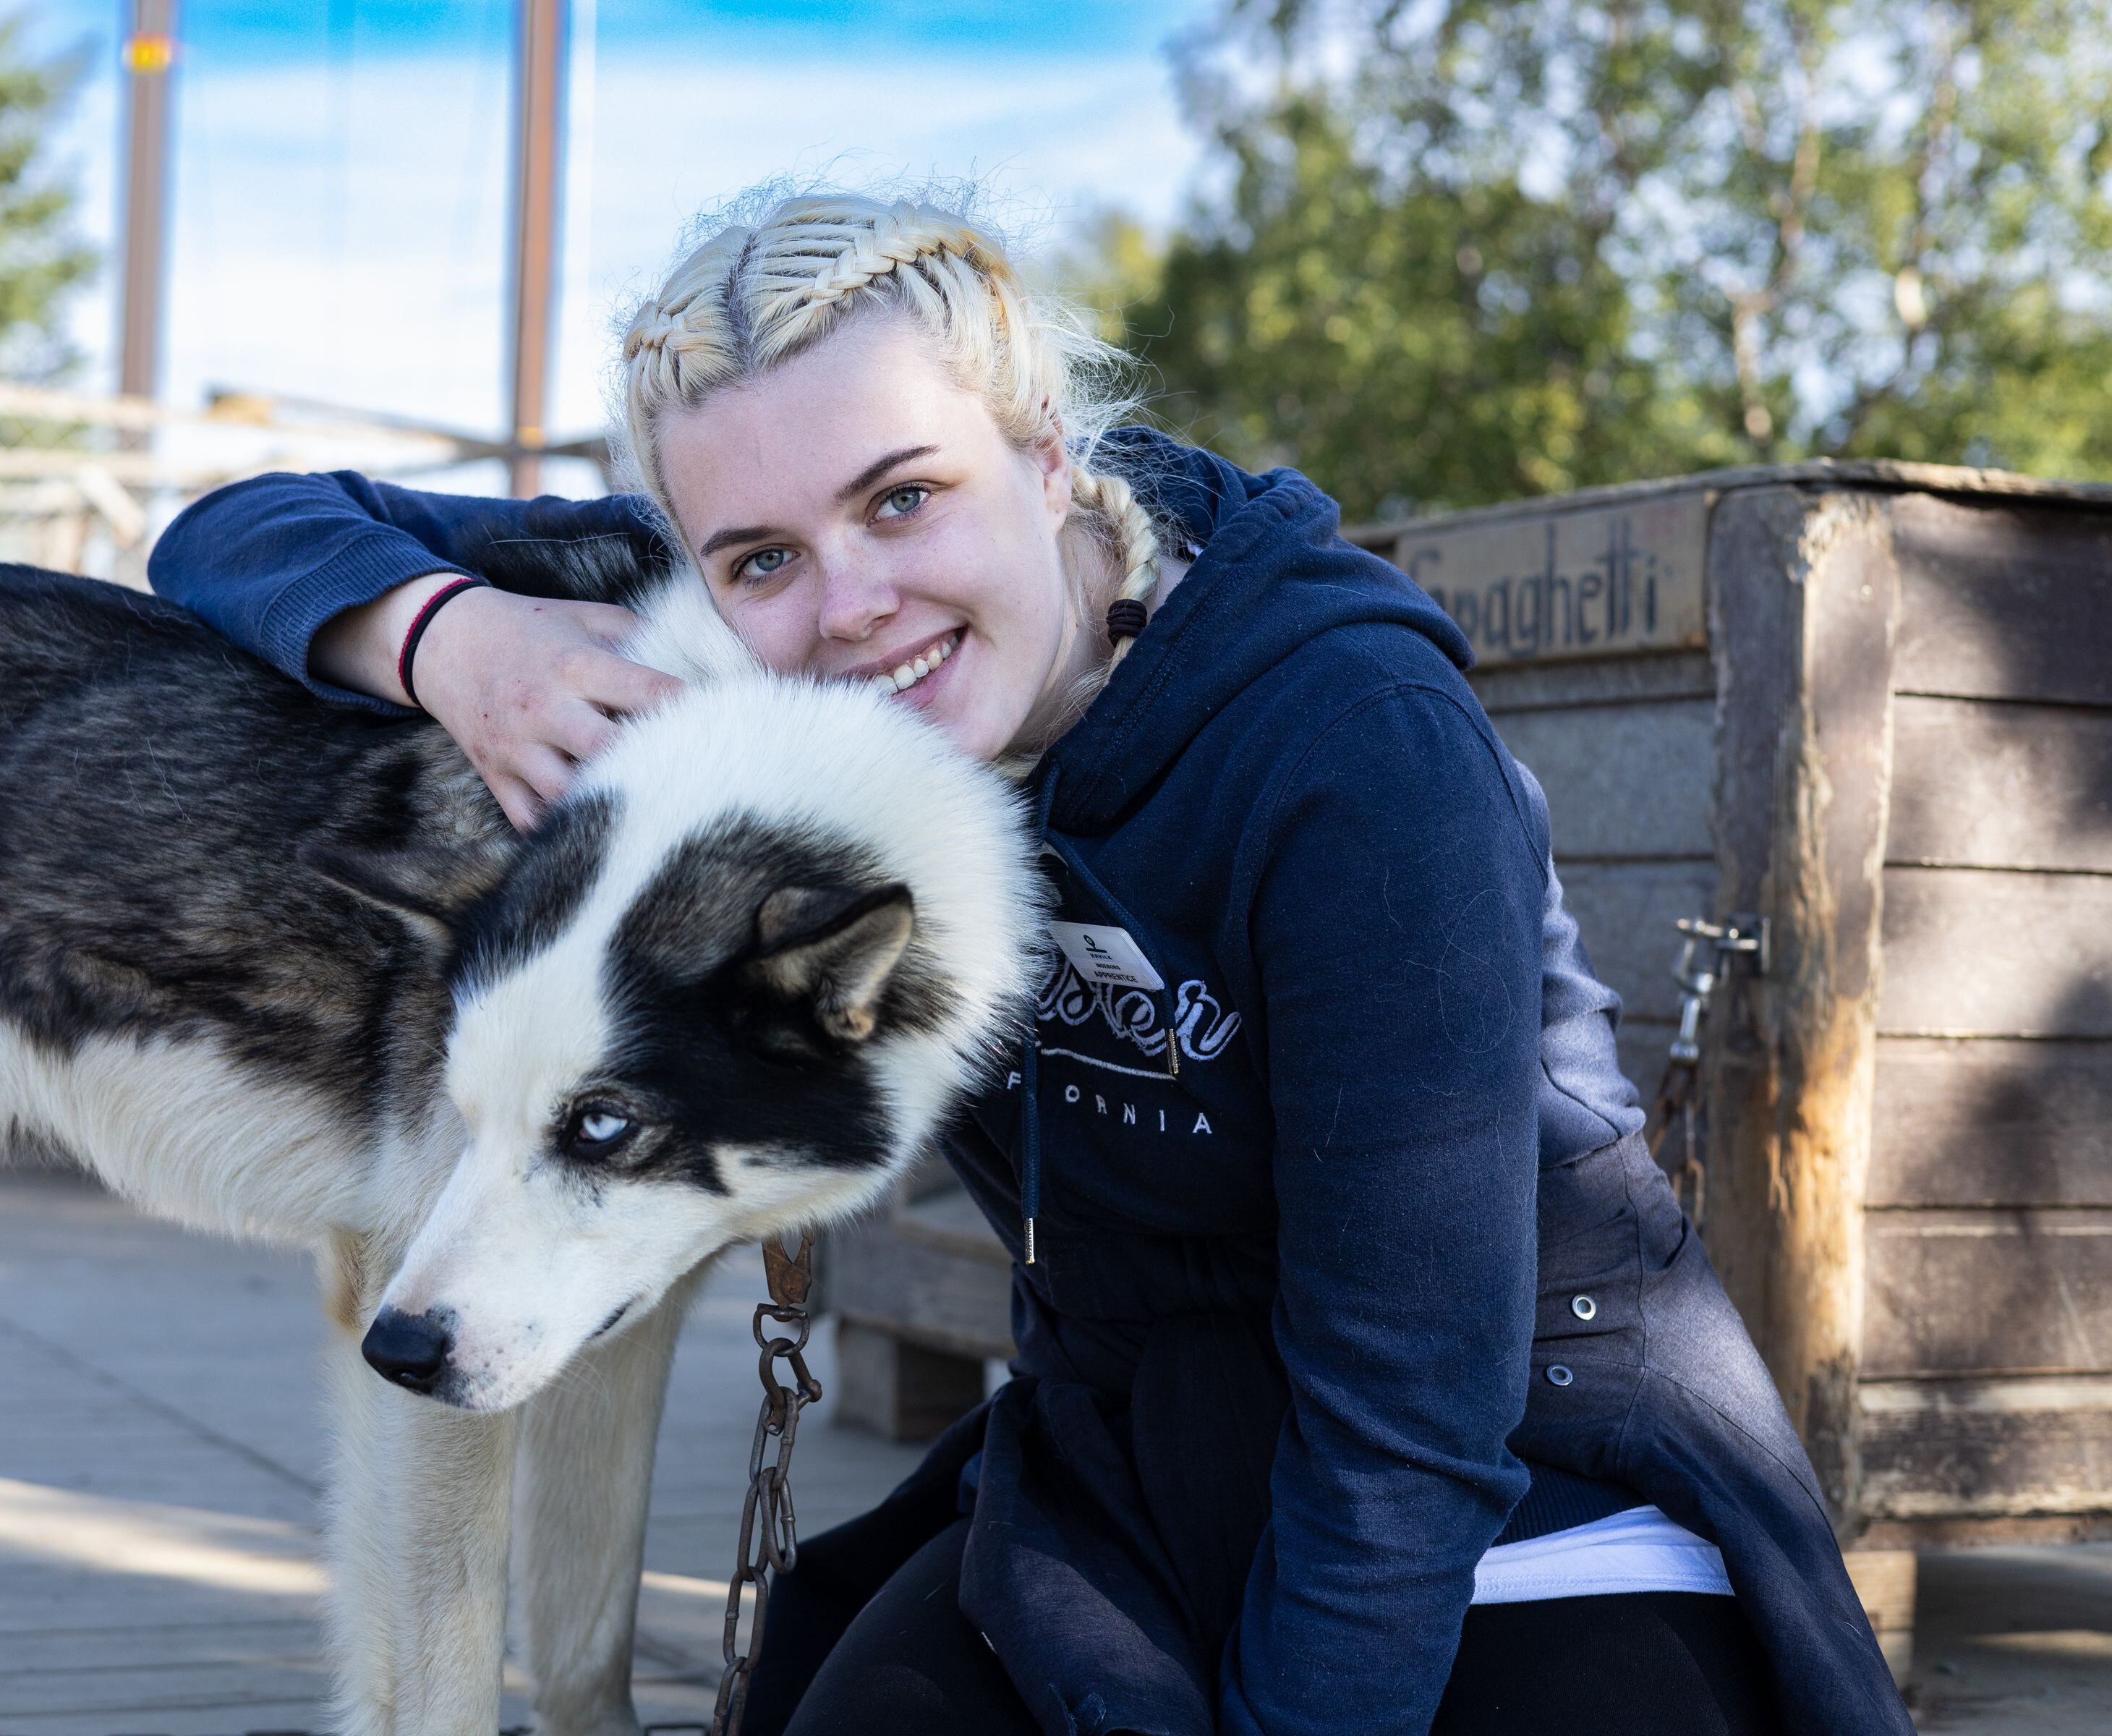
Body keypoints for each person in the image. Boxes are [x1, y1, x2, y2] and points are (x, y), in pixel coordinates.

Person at [148, 190, 1912, 1736]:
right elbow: (232, 525)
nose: (848, 609)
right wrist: (455, 637)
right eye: (762, 558)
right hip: (1127, 1450)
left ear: (1052, 453)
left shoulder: (1344, 745)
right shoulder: (769, 648)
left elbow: (1410, 1405)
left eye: (906, 500)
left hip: (1521, 1464)